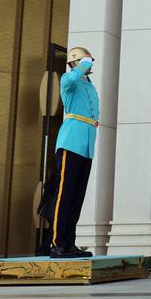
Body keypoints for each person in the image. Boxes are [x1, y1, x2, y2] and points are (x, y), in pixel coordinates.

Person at [38, 47, 100, 258]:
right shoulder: (68, 78)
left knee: (77, 196)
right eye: (84, 62)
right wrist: (84, 63)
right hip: (71, 142)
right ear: (76, 63)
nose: (89, 66)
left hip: (87, 144)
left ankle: (69, 243)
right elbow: (71, 79)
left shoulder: (88, 85)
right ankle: (56, 243)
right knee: (64, 195)